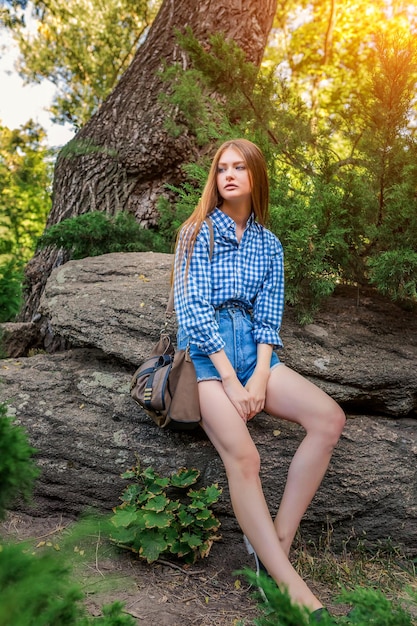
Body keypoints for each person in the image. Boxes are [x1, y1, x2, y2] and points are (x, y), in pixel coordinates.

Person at [173, 138, 346, 623]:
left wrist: (261, 376)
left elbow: (270, 317)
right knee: (244, 457)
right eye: (221, 168)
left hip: (255, 352)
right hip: (207, 359)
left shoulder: (270, 245)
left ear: (255, 177)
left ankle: (276, 548)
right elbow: (193, 312)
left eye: (239, 168)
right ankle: (289, 588)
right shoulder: (197, 233)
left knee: (329, 418)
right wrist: (230, 381)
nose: (228, 175)